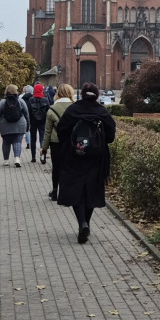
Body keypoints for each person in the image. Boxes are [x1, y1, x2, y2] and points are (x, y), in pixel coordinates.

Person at [56, 82, 116, 244]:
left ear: (81, 94)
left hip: (75, 157)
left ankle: (82, 222)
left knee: (77, 191)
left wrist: (70, 145)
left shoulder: (73, 110)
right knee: (92, 190)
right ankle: (86, 223)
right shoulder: (102, 111)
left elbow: (61, 130)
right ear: (97, 95)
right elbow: (111, 135)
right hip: (96, 158)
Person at [41, 83, 74, 200]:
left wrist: (44, 147)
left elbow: (47, 131)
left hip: (56, 143)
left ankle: (55, 192)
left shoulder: (52, 109)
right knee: (70, 167)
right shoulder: (75, 107)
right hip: (72, 142)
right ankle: (68, 192)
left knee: (57, 167)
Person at [0, 84, 30, 168]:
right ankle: (17, 159)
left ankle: (6, 160)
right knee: (17, 142)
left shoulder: (3, 102)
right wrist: (28, 124)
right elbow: (26, 113)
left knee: (6, 143)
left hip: (5, 126)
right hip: (19, 125)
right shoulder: (20, 101)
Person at [27, 83, 50, 163]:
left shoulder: (30, 100)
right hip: (43, 122)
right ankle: (42, 156)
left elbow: (28, 112)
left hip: (33, 122)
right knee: (42, 140)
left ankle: (33, 157)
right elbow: (48, 111)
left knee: (33, 139)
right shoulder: (45, 100)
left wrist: (28, 122)